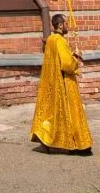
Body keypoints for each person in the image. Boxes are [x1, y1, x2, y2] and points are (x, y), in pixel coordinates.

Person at [31, 13, 90, 153]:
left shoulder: (50, 39)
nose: (68, 26)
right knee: (70, 113)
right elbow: (66, 64)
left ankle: (46, 136)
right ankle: (74, 144)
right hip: (64, 82)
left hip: (52, 82)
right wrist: (76, 60)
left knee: (53, 113)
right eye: (66, 23)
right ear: (60, 25)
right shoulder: (60, 41)